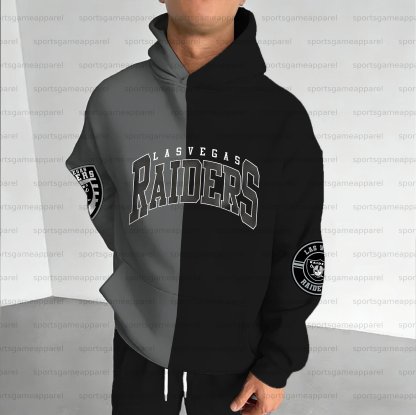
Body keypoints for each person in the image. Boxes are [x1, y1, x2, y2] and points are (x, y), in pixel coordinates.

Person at [65, 1, 325, 414]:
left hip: (239, 351)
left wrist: (276, 362)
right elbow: (101, 191)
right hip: (140, 339)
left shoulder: (282, 117)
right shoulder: (113, 99)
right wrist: (145, 263)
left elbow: (297, 248)